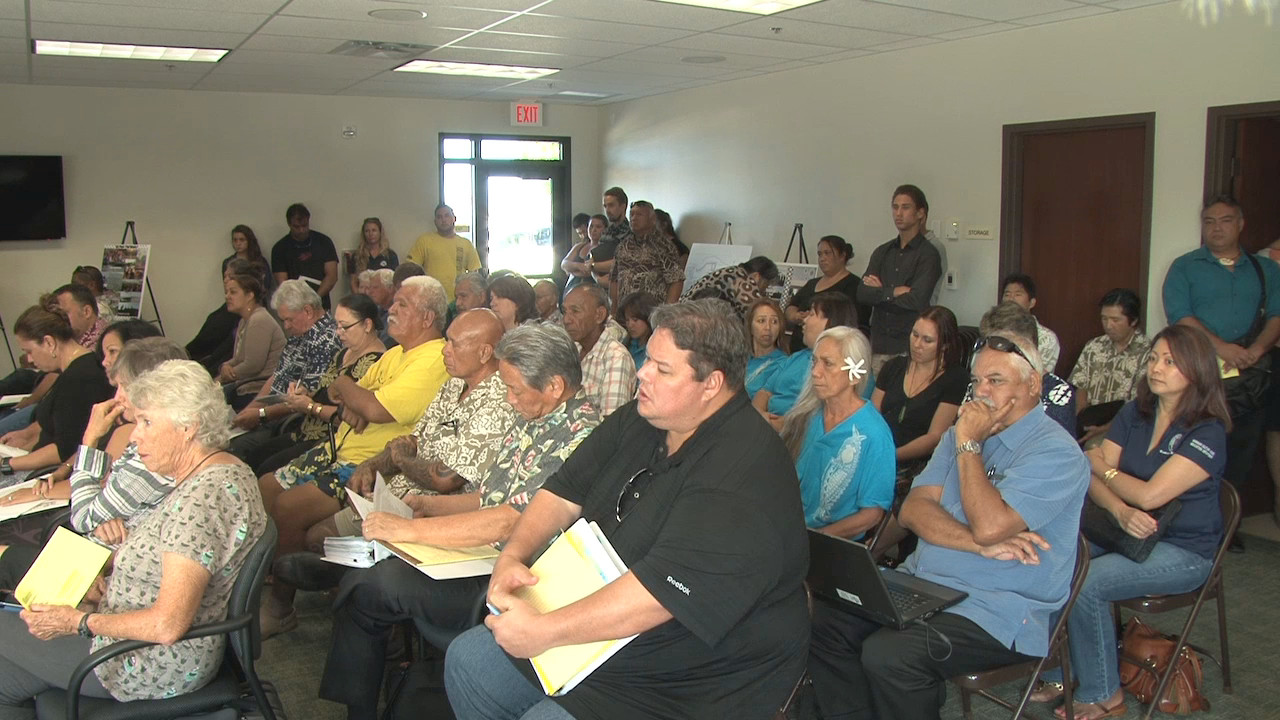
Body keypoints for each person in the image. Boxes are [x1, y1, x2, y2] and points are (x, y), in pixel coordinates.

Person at [445, 300, 809, 720]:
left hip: (692, 672)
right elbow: (563, 491)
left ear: (711, 384)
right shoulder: (644, 417)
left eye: (662, 368)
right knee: (470, 663)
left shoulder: (743, 469)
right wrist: (513, 555)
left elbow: (659, 596)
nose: (642, 373)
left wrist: (544, 631)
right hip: (603, 612)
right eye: (647, 359)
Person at [319, 323, 601, 720]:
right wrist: (427, 507)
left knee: (371, 589)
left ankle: (363, 710)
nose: (509, 398)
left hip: (515, 578)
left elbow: (511, 522)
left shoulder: (581, 436)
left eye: (515, 389)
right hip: (486, 550)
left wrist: (410, 529)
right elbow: (491, 498)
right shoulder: (535, 415)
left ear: (554, 385)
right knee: (369, 578)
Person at [808, 331, 1089, 720]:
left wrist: (969, 446)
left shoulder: (1056, 452)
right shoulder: (962, 432)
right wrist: (975, 544)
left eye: (996, 381)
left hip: (999, 607)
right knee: (825, 618)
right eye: (976, 382)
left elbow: (991, 525)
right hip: (926, 583)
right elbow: (913, 512)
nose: (981, 392)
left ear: (1033, 384)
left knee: (890, 656)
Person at [0, 360, 267, 708]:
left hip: (144, 662)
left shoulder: (203, 499)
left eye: (147, 421)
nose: (135, 434)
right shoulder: (214, 471)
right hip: (129, 637)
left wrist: (78, 621)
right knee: (7, 681)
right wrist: (110, 581)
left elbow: (167, 626)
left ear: (188, 427)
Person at [1032, 325, 1229, 720]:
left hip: (1185, 549)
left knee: (1089, 582)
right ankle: (1060, 671)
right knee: (1051, 557)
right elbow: (1089, 467)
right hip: (1126, 530)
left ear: (1196, 370)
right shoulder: (1136, 410)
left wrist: (1107, 472)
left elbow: (1153, 495)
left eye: (1170, 362)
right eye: (1154, 358)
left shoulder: (1208, 429)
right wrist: (1121, 508)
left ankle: (1105, 697)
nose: (1156, 368)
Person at [258, 276, 451, 637]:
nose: (390, 309)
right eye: (393, 303)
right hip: (340, 447)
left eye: (402, 305)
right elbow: (344, 400)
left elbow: (368, 406)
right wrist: (354, 397)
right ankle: (275, 577)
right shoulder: (396, 353)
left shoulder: (431, 360)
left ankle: (282, 607)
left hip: (373, 461)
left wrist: (352, 392)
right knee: (266, 487)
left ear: (427, 318)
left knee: (288, 509)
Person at [0, 337, 186, 589]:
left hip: (99, 573)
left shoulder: (156, 453)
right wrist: (102, 515)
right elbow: (98, 508)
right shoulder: (162, 440)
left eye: (122, 386)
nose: (117, 396)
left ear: (150, 389)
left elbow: (84, 518)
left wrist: (91, 438)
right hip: (99, 556)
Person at [1162, 196, 1280, 551]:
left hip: (1250, 377)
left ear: (1240, 224)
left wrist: (1256, 350)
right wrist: (1222, 348)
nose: (1217, 228)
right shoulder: (1185, 267)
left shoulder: (1265, 269)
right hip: (1199, 373)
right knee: (1193, 447)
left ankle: (1227, 529)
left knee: (1240, 451)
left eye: (1225, 220)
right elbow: (1181, 317)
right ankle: (1186, 527)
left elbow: (1277, 315)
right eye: (1210, 221)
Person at [236, 293, 384, 476]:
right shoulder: (343, 354)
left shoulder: (376, 364)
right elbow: (326, 390)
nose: (338, 333)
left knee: (266, 470)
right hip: (304, 430)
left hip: (329, 438)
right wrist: (304, 393)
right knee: (253, 458)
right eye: (337, 326)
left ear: (367, 325)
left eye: (344, 327)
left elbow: (353, 418)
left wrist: (310, 406)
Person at [781, 326, 895, 540]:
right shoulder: (809, 416)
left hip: (827, 543)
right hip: (788, 527)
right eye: (814, 361)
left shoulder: (874, 434)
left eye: (828, 364)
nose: (815, 371)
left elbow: (871, 514)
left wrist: (817, 538)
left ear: (854, 377)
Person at [228, 280, 342, 465]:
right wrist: (252, 407)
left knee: (239, 449)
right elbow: (277, 375)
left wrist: (261, 414)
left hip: (291, 419)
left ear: (308, 311)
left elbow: (303, 400)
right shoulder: (300, 334)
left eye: (289, 319)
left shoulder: (326, 342)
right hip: (269, 411)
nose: (286, 326)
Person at [0, 301, 114, 482]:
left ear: (49, 342)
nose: (28, 359)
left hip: (48, 475)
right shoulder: (75, 370)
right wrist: (26, 435)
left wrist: (10, 463)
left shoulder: (79, 379)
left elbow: (65, 449)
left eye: (29, 351)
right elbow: (61, 421)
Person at [857, 185, 943, 374]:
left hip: (909, 345)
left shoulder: (928, 254)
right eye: (895, 207)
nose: (898, 213)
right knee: (876, 399)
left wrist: (879, 293)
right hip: (879, 343)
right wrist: (894, 292)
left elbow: (916, 300)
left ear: (920, 213)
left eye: (905, 207)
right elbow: (863, 293)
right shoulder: (883, 251)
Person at [873, 306, 968, 475]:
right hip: (877, 450)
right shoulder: (893, 367)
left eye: (927, 340)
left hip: (916, 465)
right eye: (914, 335)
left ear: (945, 345)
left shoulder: (956, 379)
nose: (917, 345)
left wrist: (891, 456)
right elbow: (872, 415)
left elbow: (934, 438)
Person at [979, 301, 1079, 437]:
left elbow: (1051, 451)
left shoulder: (1058, 393)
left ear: (1028, 348)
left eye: (999, 347)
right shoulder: (979, 384)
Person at [755, 291, 860, 420]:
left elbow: (821, 417)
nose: (804, 320)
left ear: (830, 321)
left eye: (811, 314)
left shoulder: (846, 368)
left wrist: (774, 425)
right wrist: (759, 415)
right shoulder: (796, 357)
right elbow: (764, 391)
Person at [1071, 288, 1152, 445]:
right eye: (1104, 319)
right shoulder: (1094, 346)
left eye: (1115, 320)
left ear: (1133, 320)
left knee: (1093, 447)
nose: (1108, 325)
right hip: (1090, 419)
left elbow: (1138, 402)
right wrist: (1079, 417)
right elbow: (1080, 385)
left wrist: (1104, 429)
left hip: (1125, 425)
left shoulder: (1147, 352)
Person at [562, 284, 636, 417]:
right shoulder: (571, 350)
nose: (566, 320)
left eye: (575, 311)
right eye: (565, 311)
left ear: (599, 315)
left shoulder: (616, 358)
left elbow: (611, 425)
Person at [217, 273, 286, 411]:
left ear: (250, 295)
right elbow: (239, 358)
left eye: (233, 292)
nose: (227, 296)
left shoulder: (259, 320)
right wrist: (225, 366)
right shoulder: (245, 320)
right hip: (245, 386)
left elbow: (253, 365)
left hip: (258, 391)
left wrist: (223, 377)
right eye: (226, 292)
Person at [788, 235, 869, 351]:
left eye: (827, 253)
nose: (822, 258)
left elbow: (855, 323)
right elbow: (792, 305)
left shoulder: (854, 285)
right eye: (819, 254)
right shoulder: (812, 283)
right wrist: (796, 316)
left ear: (842, 256)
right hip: (799, 349)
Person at [186, 258, 258, 376]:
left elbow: (251, 363)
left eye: (230, 277)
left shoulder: (254, 320)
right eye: (225, 277)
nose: (225, 281)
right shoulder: (237, 318)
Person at [611, 200, 684, 307]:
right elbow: (614, 279)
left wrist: (667, 312)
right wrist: (613, 308)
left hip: (651, 313)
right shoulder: (623, 246)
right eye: (632, 214)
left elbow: (676, 280)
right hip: (624, 313)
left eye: (639, 214)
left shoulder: (664, 246)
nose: (634, 218)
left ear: (652, 219)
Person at [406, 203, 482, 303]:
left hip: (458, 302)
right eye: (439, 217)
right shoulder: (424, 241)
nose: (443, 220)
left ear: (454, 218)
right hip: (431, 300)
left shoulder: (466, 244)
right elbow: (411, 269)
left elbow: (474, 275)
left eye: (447, 215)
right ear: (435, 221)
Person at [272, 203, 339, 310]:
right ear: (289, 224)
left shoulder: (324, 242)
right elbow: (283, 283)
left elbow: (332, 276)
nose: (301, 230)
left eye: (304, 226)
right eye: (297, 227)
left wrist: (315, 299)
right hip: (295, 306)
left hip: (321, 303)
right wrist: (300, 303)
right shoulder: (280, 248)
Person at [680, 256, 780, 319]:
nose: (765, 290)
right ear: (756, 277)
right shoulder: (742, 279)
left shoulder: (732, 271)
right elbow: (755, 314)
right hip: (691, 319)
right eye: (766, 284)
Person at [1001, 272, 1061, 374]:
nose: (1011, 299)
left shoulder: (1047, 338)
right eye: (1007, 294)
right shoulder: (995, 331)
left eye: (1017, 294)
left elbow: (1036, 374)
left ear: (1032, 303)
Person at [745, 298, 789, 399]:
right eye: (761, 321)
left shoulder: (784, 364)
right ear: (750, 326)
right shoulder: (739, 359)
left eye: (774, 322)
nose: (768, 327)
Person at [346, 217, 399, 293]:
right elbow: (353, 282)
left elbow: (395, 282)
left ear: (380, 232)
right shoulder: (357, 255)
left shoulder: (390, 255)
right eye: (367, 231)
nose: (371, 234)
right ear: (364, 234)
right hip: (364, 297)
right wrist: (360, 299)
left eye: (374, 230)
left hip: (384, 298)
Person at [562, 213, 607, 296]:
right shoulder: (579, 246)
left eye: (598, 227)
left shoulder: (605, 249)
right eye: (591, 226)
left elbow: (589, 272)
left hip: (593, 290)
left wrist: (573, 271)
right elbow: (564, 264)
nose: (593, 230)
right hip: (572, 288)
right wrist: (578, 266)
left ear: (605, 229)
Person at [223, 224, 273, 296]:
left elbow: (266, 285)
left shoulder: (259, 260)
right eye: (235, 240)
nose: (238, 243)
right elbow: (226, 286)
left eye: (242, 240)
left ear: (249, 241)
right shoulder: (227, 263)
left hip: (257, 299)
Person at [617, 291, 660, 370]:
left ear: (648, 317)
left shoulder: (656, 348)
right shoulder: (627, 343)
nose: (630, 325)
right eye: (627, 320)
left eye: (635, 320)